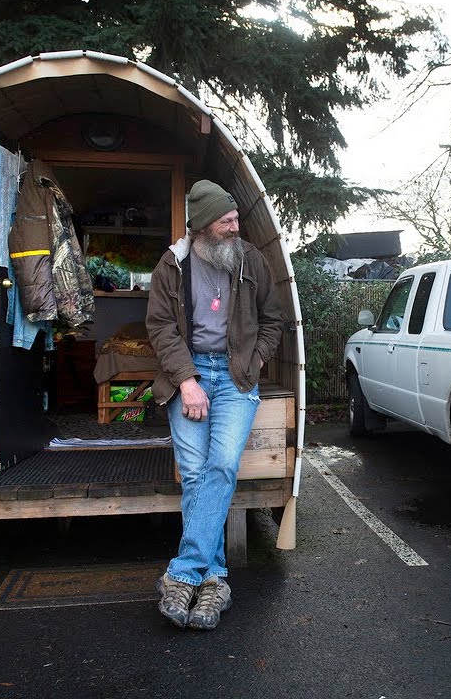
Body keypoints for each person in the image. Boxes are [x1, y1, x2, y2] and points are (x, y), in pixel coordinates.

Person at [144, 179, 284, 631]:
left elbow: (273, 320)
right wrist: (186, 381)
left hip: (235, 376)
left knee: (221, 465)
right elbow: (161, 327)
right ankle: (214, 579)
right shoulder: (174, 264)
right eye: (226, 221)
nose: (235, 227)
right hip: (189, 373)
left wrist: (257, 358)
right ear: (203, 224)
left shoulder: (251, 260)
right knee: (193, 473)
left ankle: (183, 574)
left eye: (236, 219)